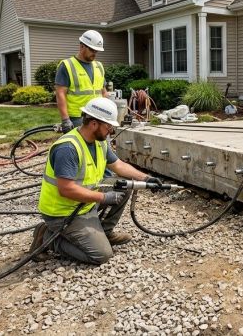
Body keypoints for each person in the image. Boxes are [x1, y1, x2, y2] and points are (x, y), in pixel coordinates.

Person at [30, 97, 162, 264]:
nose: (111, 131)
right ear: (93, 124)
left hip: (83, 203)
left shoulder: (99, 143)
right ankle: (48, 237)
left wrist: (146, 179)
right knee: (101, 255)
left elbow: (118, 165)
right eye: (108, 127)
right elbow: (66, 189)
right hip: (62, 213)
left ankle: (105, 232)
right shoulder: (68, 148)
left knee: (124, 186)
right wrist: (103, 198)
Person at [56, 30, 108, 132]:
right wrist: (65, 119)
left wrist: (107, 113)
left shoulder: (99, 66)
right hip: (77, 118)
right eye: (92, 50)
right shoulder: (67, 65)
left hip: (98, 116)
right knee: (78, 147)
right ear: (82, 46)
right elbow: (60, 93)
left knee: (103, 147)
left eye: (96, 51)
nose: (95, 53)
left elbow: (103, 92)